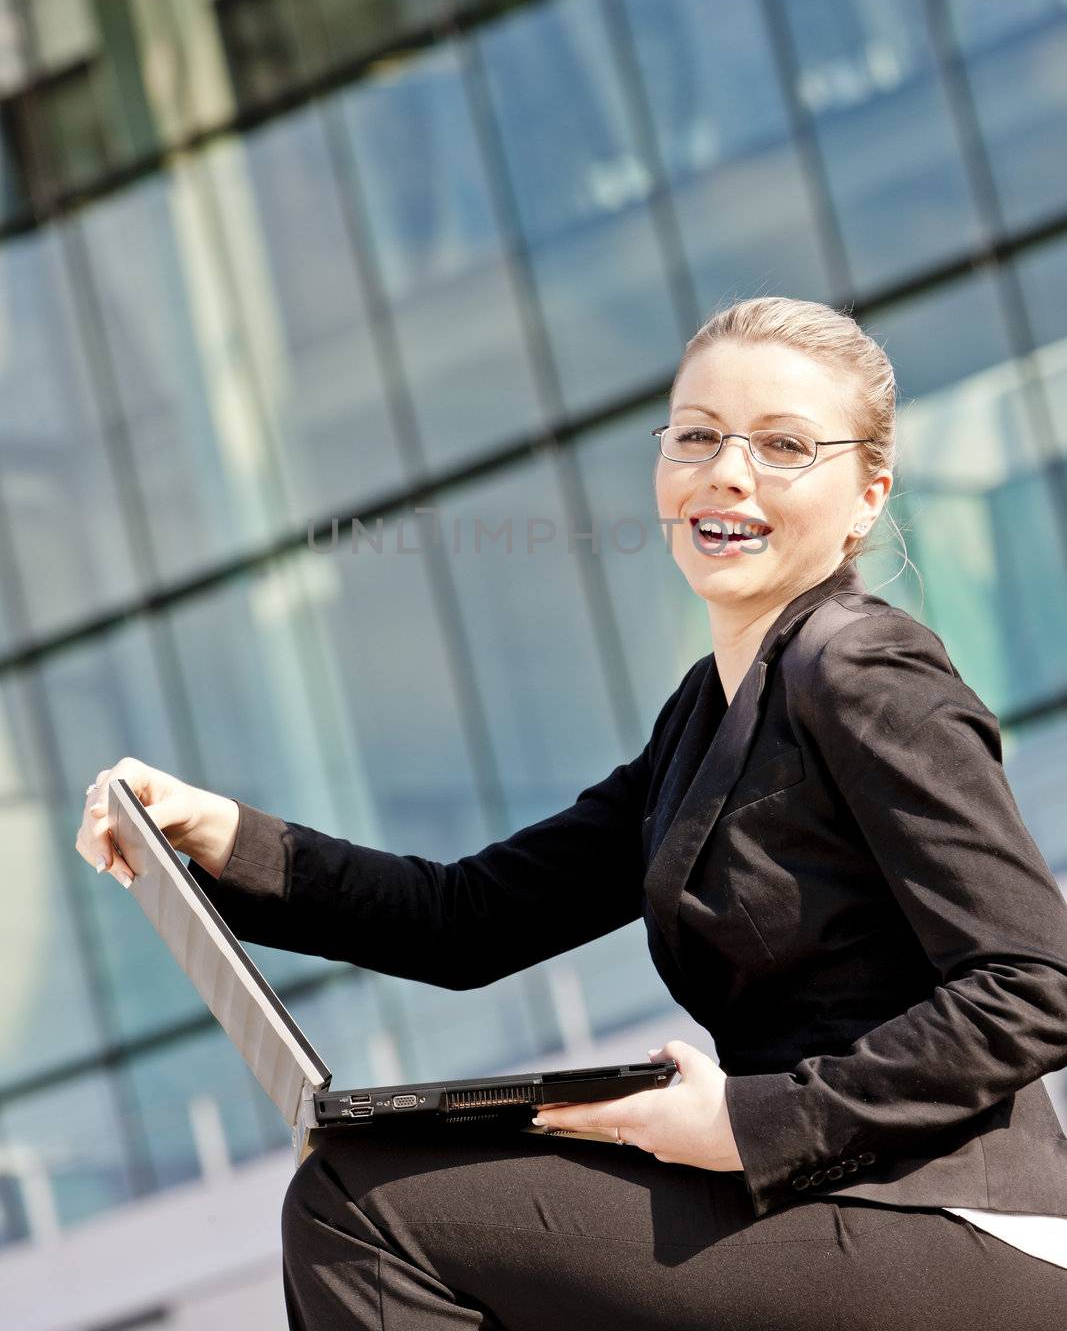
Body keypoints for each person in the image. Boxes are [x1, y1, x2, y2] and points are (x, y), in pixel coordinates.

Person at [75, 295, 1067, 1328]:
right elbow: (463, 919)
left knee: (363, 1206)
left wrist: (748, 1122)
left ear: (867, 495)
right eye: (696, 435)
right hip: (829, 1207)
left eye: (781, 445)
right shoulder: (704, 715)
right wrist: (217, 835)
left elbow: (1033, 983)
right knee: (393, 1186)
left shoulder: (861, 666)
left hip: (950, 1216)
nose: (726, 471)